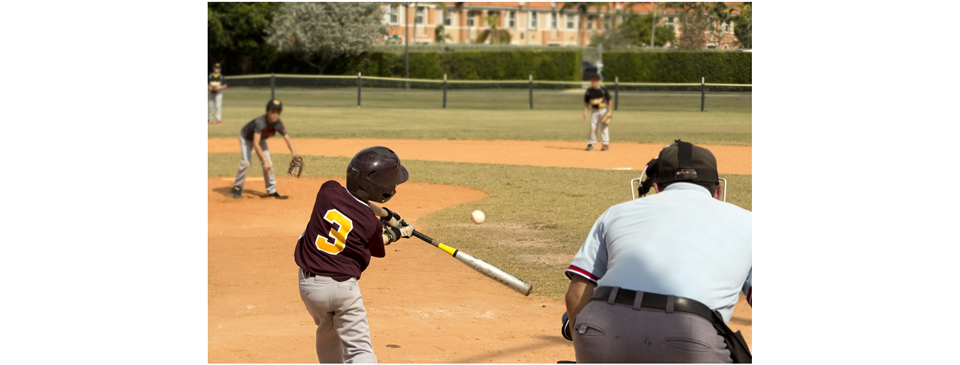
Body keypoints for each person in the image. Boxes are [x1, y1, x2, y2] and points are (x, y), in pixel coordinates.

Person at [561, 140, 753, 363]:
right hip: (690, 335)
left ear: (657, 187)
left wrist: (586, 345)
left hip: (600, 327)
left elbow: (576, 294)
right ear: (718, 190)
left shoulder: (615, 213)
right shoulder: (748, 221)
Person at [294, 146, 415, 363]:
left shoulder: (328, 191)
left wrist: (385, 214)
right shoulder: (370, 224)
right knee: (360, 351)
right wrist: (397, 233)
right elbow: (378, 245)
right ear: (384, 191)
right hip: (343, 289)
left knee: (328, 338)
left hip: (310, 290)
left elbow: (354, 200)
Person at [230, 99, 298, 199]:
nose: (275, 114)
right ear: (267, 111)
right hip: (246, 138)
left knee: (269, 164)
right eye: (273, 112)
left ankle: (272, 191)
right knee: (247, 162)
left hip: (260, 139)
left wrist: (294, 154)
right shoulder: (260, 122)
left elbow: (287, 139)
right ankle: (236, 187)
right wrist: (264, 160)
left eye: (278, 112)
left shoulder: (278, 123)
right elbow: (255, 143)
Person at [582, 74, 612, 151]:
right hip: (594, 111)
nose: (594, 82)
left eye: (596, 80)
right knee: (592, 127)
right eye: (593, 80)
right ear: (591, 81)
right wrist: (585, 112)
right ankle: (591, 144)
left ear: (599, 81)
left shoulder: (602, 90)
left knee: (603, 127)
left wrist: (609, 111)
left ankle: (605, 144)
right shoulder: (589, 91)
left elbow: (610, 100)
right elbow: (587, 103)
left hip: (603, 110)